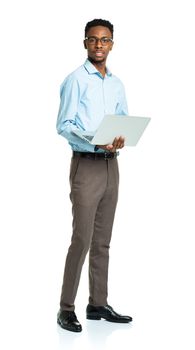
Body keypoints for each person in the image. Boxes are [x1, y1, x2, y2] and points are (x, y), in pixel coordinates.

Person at [56, 18, 133, 332]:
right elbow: (64, 125)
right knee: (82, 239)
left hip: (111, 165)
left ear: (112, 44)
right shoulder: (75, 80)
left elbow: (123, 118)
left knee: (103, 241)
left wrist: (119, 137)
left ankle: (97, 304)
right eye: (93, 39)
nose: (99, 45)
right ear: (85, 43)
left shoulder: (116, 83)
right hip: (86, 165)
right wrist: (94, 140)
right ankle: (65, 309)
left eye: (105, 40)